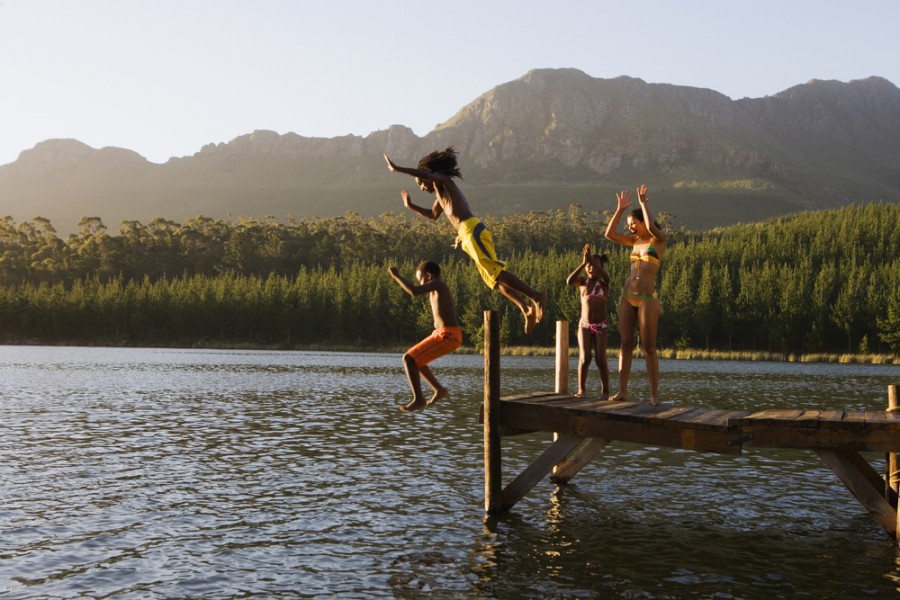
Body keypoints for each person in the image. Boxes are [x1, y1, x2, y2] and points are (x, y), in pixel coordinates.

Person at [384, 147, 547, 333]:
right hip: (467, 235)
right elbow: (432, 215)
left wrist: (399, 169)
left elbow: (427, 175)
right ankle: (526, 308)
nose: (421, 187)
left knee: (496, 271)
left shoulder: (445, 182)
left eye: (421, 182)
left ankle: (536, 296)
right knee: (492, 281)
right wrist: (411, 206)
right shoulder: (440, 195)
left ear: (428, 175)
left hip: (472, 230)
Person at [604, 185, 667, 405]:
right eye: (629, 226)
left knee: (648, 347)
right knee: (625, 344)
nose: (630, 228)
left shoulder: (658, 240)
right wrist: (620, 210)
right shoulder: (634, 242)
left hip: (648, 299)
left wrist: (643, 204)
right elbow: (609, 234)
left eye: (633, 224)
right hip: (627, 298)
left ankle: (654, 394)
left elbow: (651, 226)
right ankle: (622, 391)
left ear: (642, 221)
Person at [388, 261, 463, 412]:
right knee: (416, 361)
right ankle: (439, 390)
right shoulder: (437, 288)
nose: (420, 283)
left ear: (428, 275)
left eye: (420, 279)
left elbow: (414, 291)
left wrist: (396, 276)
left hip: (448, 334)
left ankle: (419, 399)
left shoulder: (438, 284)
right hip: (443, 333)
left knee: (408, 358)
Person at [566, 243, 611, 399]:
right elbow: (569, 281)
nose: (592, 268)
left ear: (601, 267)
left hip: (601, 325)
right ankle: (581, 389)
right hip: (584, 325)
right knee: (585, 358)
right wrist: (583, 263)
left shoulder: (603, 283)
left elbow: (606, 276)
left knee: (600, 359)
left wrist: (591, 259)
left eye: (595, 266)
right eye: (589, 266)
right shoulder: (583, 282)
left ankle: (605, 392)